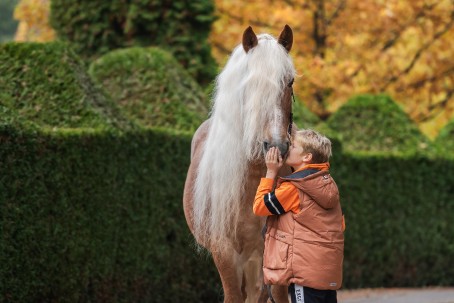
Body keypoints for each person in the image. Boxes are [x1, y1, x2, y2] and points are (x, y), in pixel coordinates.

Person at [253, 129, 345, 303]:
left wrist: (271, 172)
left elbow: (260, 206)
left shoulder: (295, 188)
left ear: (307, 157)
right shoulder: (328, 183)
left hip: (305, 274)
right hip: (326, 274)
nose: (288, 148)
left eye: (293, 146)